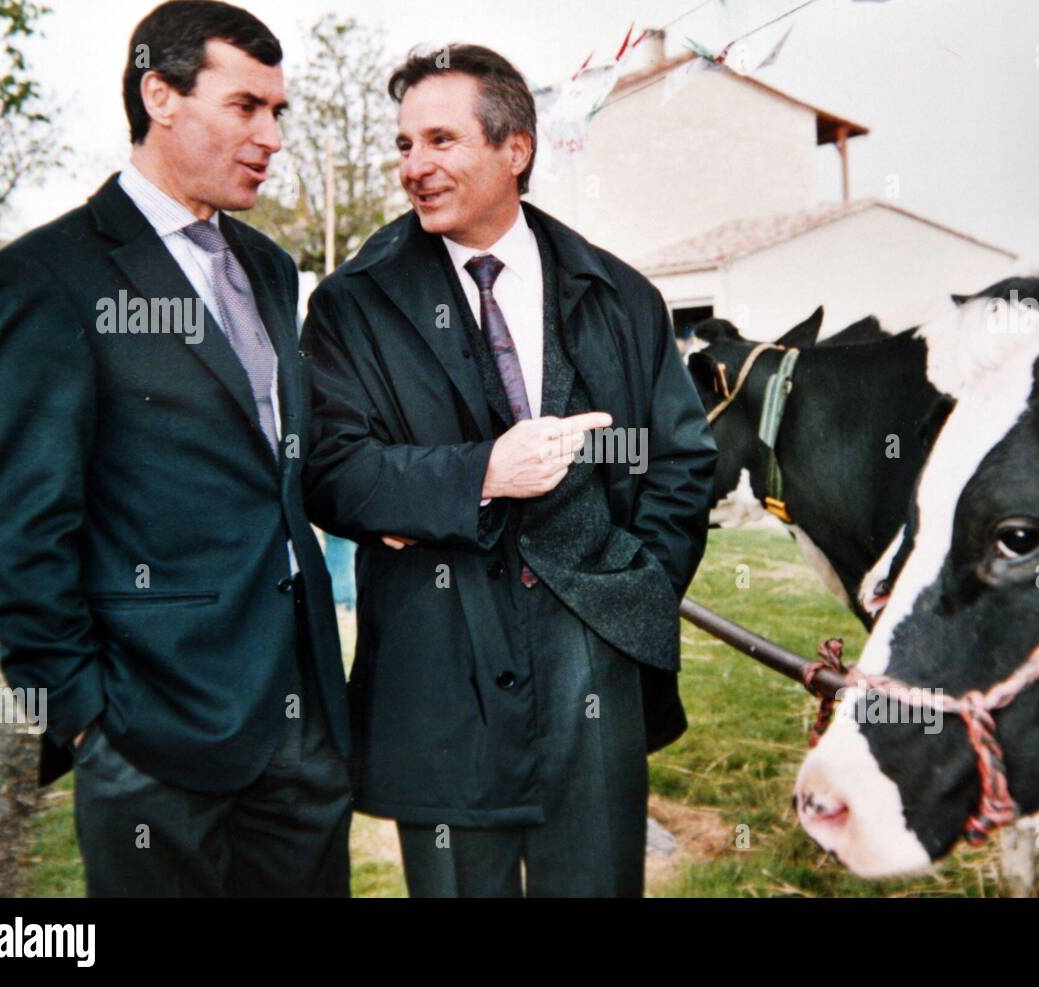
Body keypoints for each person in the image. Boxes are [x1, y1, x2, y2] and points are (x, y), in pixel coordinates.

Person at [303, 44, 716, 897]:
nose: (415, 167)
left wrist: (633, 592)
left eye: (441, 141)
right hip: (437, 672)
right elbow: (333, 471)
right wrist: (481, 472)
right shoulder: (353, 304)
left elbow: (679, 462)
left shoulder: (621, 295)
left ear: (514, 149)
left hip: (592, 680)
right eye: (405, 145)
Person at [0, 0, 352, 896]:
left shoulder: (266, 266)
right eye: (245, 107)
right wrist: (85, 717)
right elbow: (19, 522)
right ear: (160, 96)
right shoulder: (47, 275)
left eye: (278, 112)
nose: (271, 136)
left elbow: (278, 469)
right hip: (150, 739)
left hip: (299, 728)